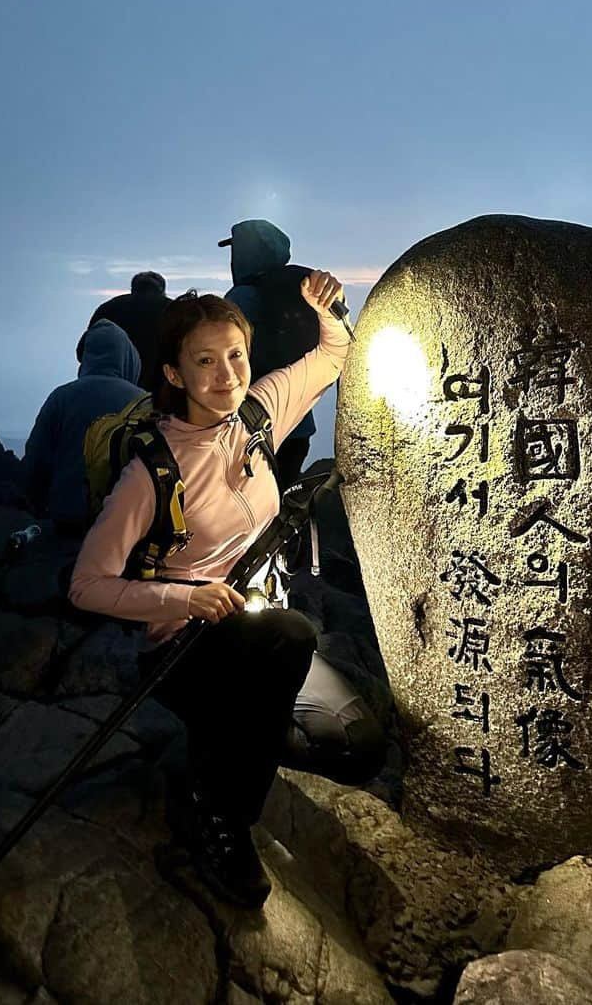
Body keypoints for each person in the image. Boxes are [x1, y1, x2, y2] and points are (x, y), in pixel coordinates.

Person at [69, 273, 385, 908]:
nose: (226, 375)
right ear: (175, 374)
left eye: (236, 355)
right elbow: (85, 585)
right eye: (204, 362)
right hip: (184, 652)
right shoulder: (153, 470)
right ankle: (218, 814)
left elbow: (333, 356)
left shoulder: (258, 416)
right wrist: (186, 599)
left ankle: (230, 741)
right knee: (290, 637)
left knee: (360, 748)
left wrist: (328, 309)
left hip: (257, 633)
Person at [221, 220, 322, 489]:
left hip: (254, 424)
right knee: (284, 497)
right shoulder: (298, 290)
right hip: (300, 424)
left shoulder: (240, 299)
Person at [23, 320, 145, 535]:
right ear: (128, 358)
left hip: (66, 523)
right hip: (125, 527)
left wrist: (35, 508)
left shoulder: (62, 397)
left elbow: (37, 459)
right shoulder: (144, 403)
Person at [76, 271, 170, 391]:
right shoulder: (174, 310)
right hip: (162, 390)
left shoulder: (109, 309)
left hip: (111, 389)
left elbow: (82, 352)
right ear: (162, 289)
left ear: (133, 288)